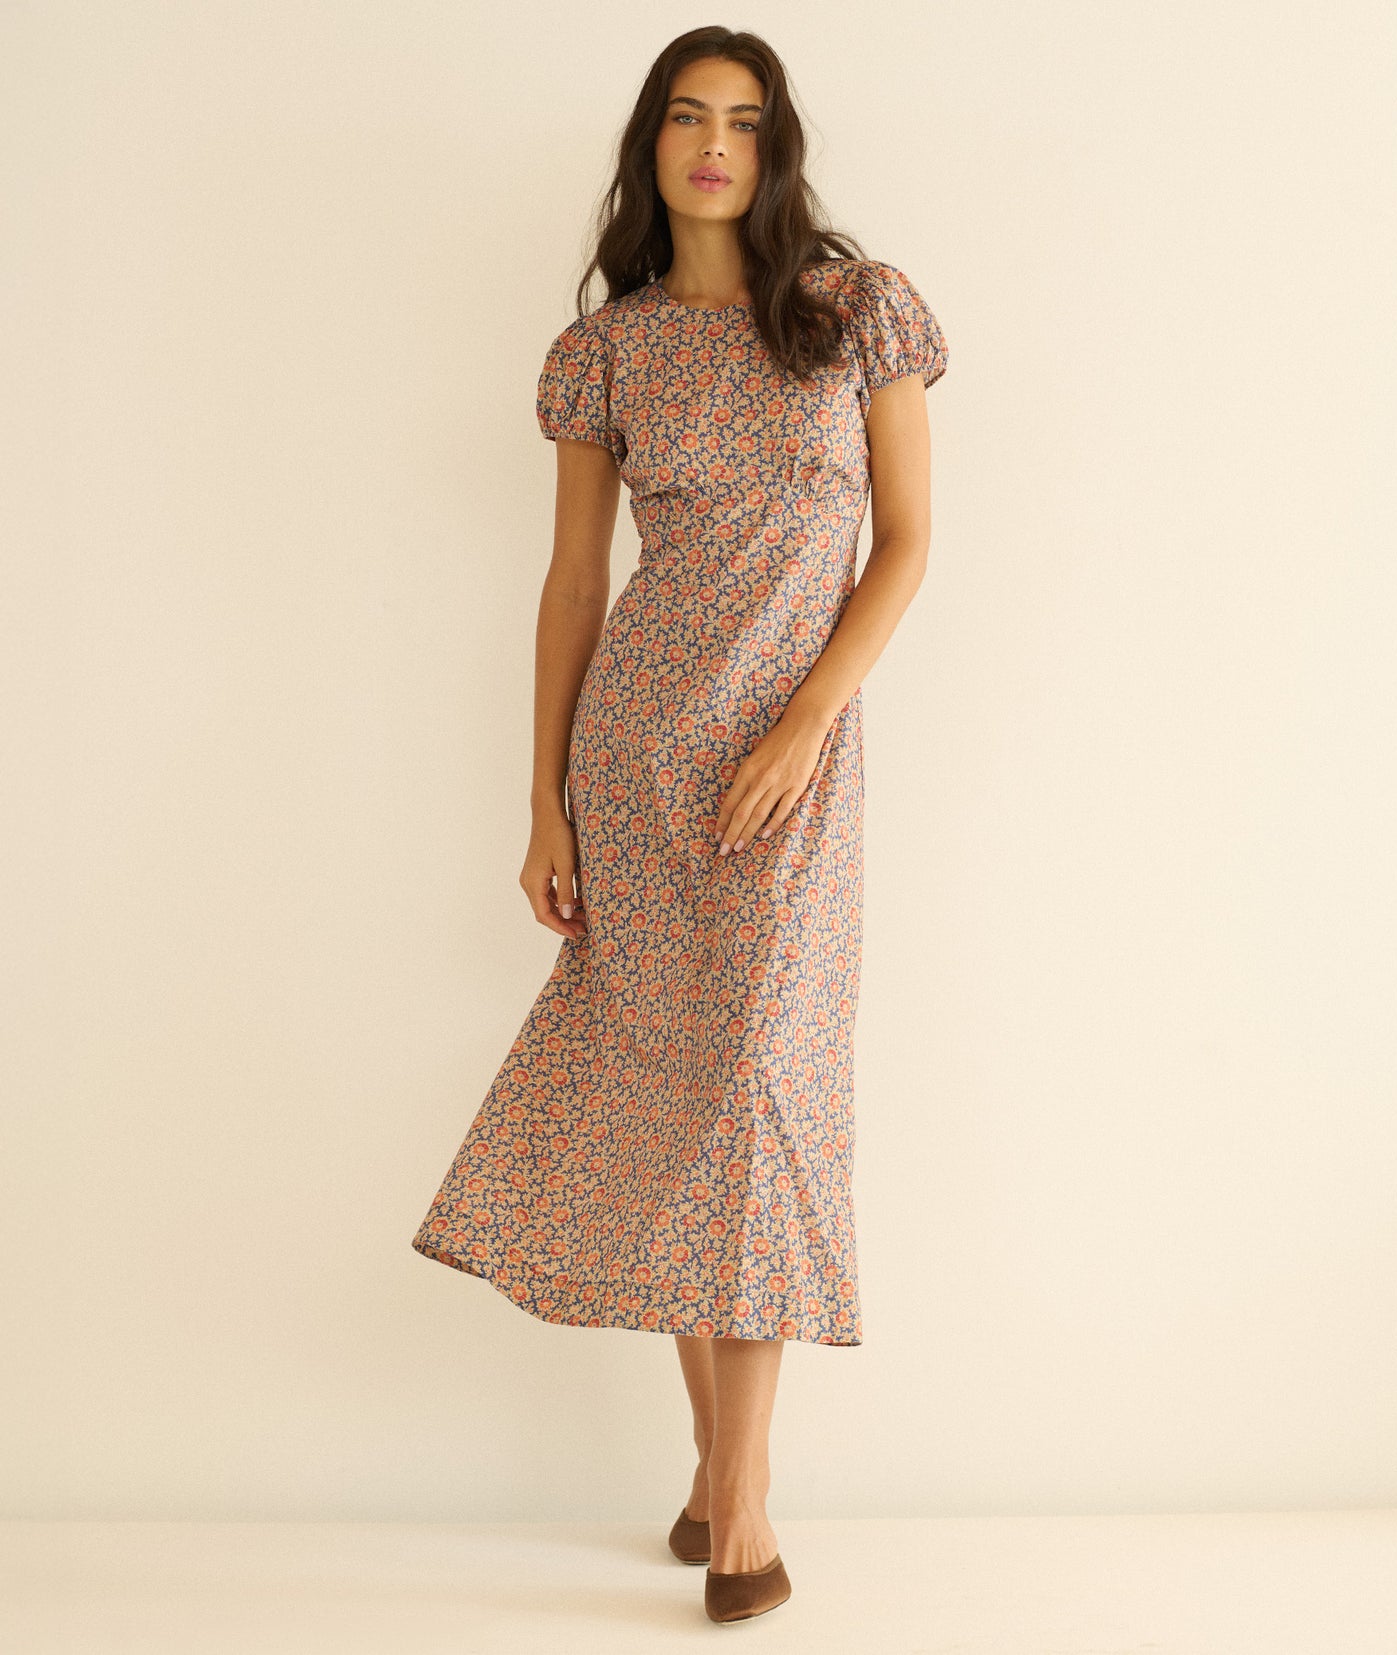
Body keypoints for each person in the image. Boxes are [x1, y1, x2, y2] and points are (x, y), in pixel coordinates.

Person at [411, 25, 947, 1625]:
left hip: (788, 770)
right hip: (637, 761)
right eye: (684, 118)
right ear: (650, 146)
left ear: (777, 148)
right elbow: (575, 586)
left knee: (756, 1103)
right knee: (672, 1105)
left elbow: (906, 546)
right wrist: (544, 803)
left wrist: (802, 719)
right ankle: (730, 1488)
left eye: (743, 120)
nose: (714, 143)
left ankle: (734, 1490)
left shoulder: (856, 312)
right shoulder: (610, 352)